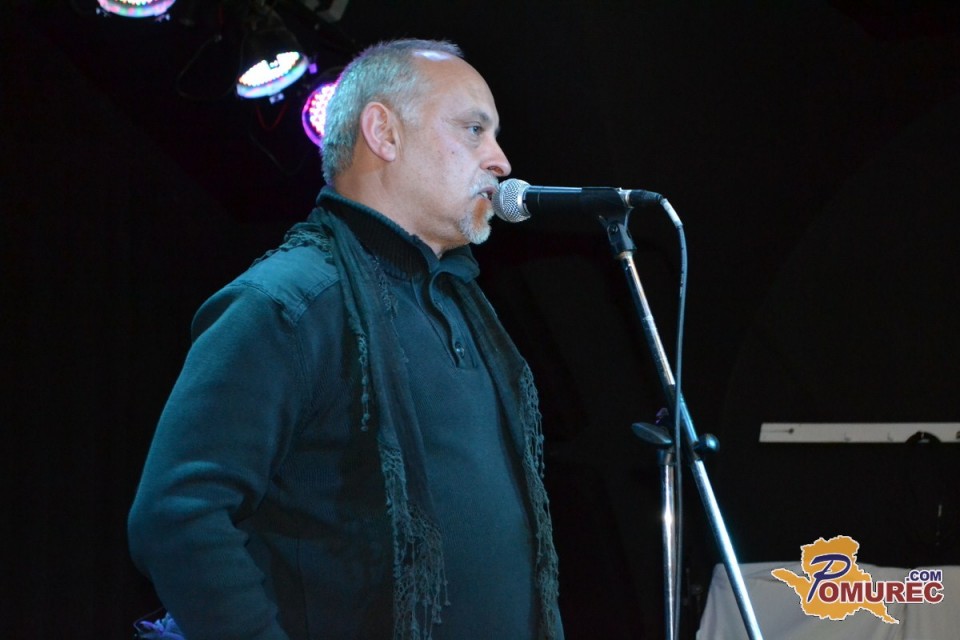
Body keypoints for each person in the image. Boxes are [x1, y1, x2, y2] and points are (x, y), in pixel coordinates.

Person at [128, 39, 563, 640]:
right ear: (384, 133)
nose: (501, 161)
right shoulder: (287, 302)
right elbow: (178, 515)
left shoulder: (464, 308)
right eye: (474, 130)